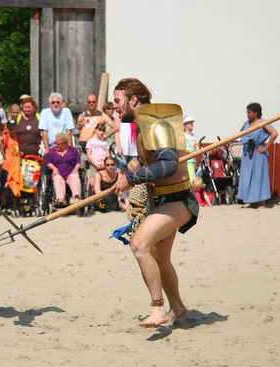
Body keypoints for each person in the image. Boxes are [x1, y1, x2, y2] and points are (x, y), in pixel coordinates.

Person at [113, 77, 199, 327]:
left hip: (179, 199)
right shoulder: (142, 127)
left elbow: (169, 165)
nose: (115, 107)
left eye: (118, 101)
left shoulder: (155, 124)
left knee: (139, 245)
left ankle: (158, 309)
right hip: (160, 199)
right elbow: (154, 168)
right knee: (158, 257)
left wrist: (131, 178)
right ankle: (178, 307)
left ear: (133, 100)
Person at [237, 103, 278, 208]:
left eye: (249, 112)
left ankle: (262, 202)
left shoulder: (263, 122)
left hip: (258, 153)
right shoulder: (246, 123)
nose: (247, 114)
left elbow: (274, 133)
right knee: (248, 177)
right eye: (247, 112)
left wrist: (266, 147)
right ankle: (252, 201)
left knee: (259, 176)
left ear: (256, 113)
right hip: (247, 154)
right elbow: (240, 133)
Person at [45, 132, 81, 206]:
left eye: (58, 143)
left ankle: (76, 197)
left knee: (74, 176)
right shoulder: (52, 151)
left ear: (65, 143)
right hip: (58, 173)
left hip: (70, 172)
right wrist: (53, 167)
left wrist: (76, 169)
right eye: (55, 143)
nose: (56, 145)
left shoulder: (73, 151)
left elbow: (78, 162)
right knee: (57, 178)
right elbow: (48, 162)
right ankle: (60, 199)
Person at [85, 122, 110, 194]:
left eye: (103, 130)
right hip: (94, 165)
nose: (101, 132)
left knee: (102, 183)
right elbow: (89, 154)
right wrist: (95, 164)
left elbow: (107, 153)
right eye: (100, 130)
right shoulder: (91, 141)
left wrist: (106, 164)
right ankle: (91, 200)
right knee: (92, 184)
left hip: (103, 165)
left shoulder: (105, 141)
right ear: (95, 130)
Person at [184, 115, 199, 181]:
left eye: (192, 122)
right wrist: (191, 152)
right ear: (185, 124)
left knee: (192, 176)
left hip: (193, 160)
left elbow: (196, 147)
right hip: (187, 161)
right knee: (192, 178)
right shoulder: (183, 136)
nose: (192, 124)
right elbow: (182, 148)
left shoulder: (193, 136)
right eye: (190, 123)